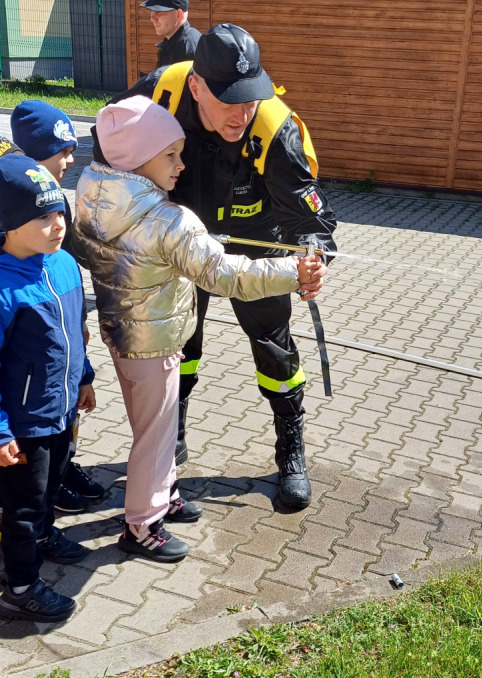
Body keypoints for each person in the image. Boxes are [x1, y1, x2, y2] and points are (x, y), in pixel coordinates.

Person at [74, 97, 326, 562]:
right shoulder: (171, 221)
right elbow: (227, 275)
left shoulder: (92, 195)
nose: (182, 165)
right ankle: (142, 525)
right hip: (156, 342)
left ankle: (165, 491)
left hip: (122, 336)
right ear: (137, 158)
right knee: (154, 438)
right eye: (171, 155)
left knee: (153, 426)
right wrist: (293, 272)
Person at [101, 23, 338, 510]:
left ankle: (290, 449)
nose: (242, 112)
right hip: (180, 243)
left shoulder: (275, 126)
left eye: (250, 97)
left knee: (274, 348)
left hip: (257, 246)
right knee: (180, 341)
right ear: (196, 86)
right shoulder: (162, 91)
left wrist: (313, 256)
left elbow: (311, 217)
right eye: (229, 99)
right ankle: (174, 433)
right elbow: (109, 142)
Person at [0, 156, 95, 622]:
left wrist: (86, 377)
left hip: (62, 408)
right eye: (43, 217)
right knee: (21, 505)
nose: (59, 225)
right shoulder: (4, 286)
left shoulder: (65, 265)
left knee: (51, 485)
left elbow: (76, 332)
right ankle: (20, 586)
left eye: (60, 212)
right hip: (24, 424)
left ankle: (43, 535)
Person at [10, 100, 106, 515]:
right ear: (33, 153)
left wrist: (78, 319)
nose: (70, 160)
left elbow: (65, 260)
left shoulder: (54, 195)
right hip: (29, 322)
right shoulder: (16, 199)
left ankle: (63, 469)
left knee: (66, 410)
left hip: (62, 314)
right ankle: (41, 487)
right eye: (62, 151)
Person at [141, 0, 201, 68]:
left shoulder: (187, 47)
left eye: (160, 12)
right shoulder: (173, 43)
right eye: (152, 11)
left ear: (178, 14)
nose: (152, 18)